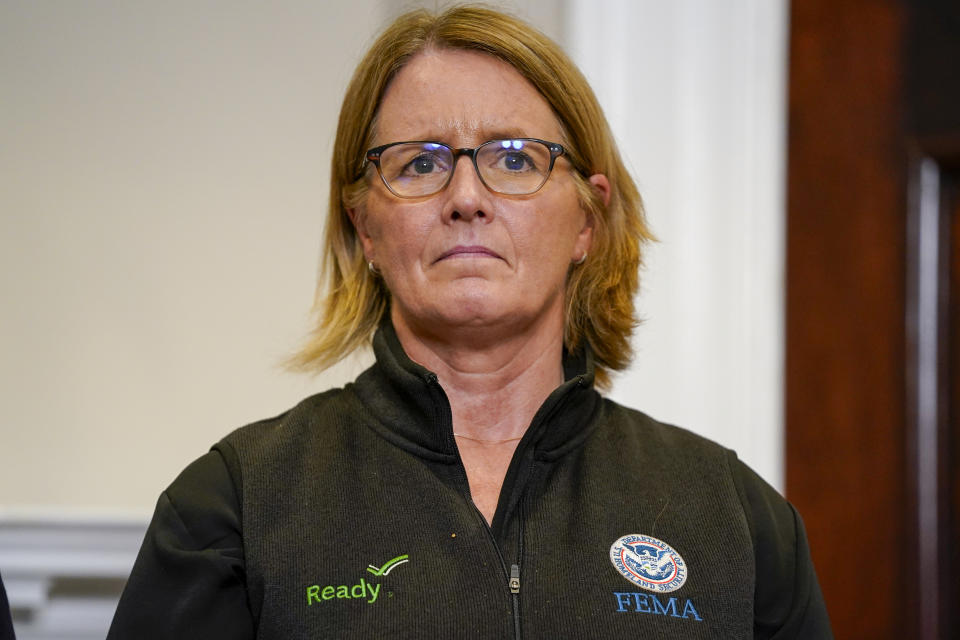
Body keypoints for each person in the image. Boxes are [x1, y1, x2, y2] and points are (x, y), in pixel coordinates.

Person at [108, 6, 832, 639]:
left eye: (514, 159)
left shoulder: (733, 518)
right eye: (419, 164)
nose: (465, 197)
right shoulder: (236, 503)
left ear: (587, 217)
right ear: (365, 225)